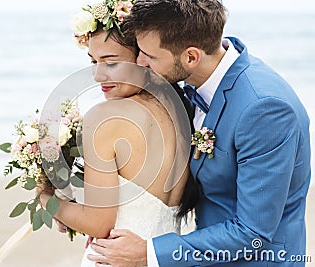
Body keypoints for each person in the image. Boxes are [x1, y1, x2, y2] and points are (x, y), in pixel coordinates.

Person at [87, 0, 312, 266]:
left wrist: (148, 253)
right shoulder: (194, 82)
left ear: (191, 57)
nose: (139, 62)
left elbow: (253, 233)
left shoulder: (264, 110)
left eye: (149, 56)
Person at [37, 1, 198, 266]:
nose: (99, 75)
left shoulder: (105, 119)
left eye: (111, 63)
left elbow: (98, 224)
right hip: (161, 256)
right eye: (93, 61)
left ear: (143, 59)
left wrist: (46, 198)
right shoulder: (182, 110)